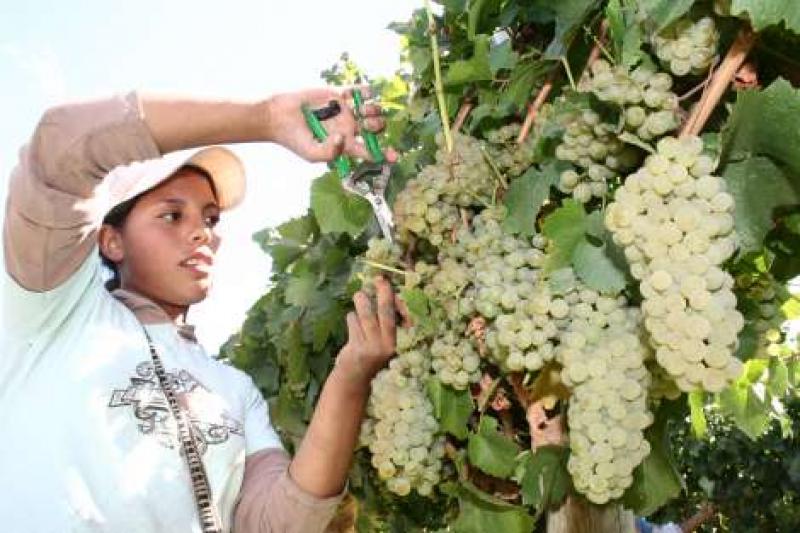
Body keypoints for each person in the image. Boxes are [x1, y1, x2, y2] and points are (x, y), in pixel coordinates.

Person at [0, 88, 403, 532]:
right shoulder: (54, 311)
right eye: (172, 216)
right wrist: (266, 118)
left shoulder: (234, 388)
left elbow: (279, 524)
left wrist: (351, 375)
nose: (202, 234)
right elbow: (58, 147)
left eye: (210, 219)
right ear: (112, 240)